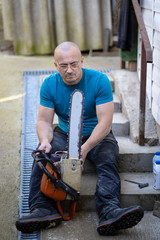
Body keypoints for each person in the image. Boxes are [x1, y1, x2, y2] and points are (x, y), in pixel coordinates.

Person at [16, 41, 144, 235]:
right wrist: (44, 141)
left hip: (97, 134)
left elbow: (105, 123)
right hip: (65, 132)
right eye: (63, 65)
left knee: (107, 158)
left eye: (74, 64)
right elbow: (44, 121)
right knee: (41, 156)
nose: (69, 70)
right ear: (55, 65)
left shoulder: (99, 81)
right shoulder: (50, 84)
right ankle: (42, 209)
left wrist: (83, 149)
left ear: (82, 61)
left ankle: (109, 210)